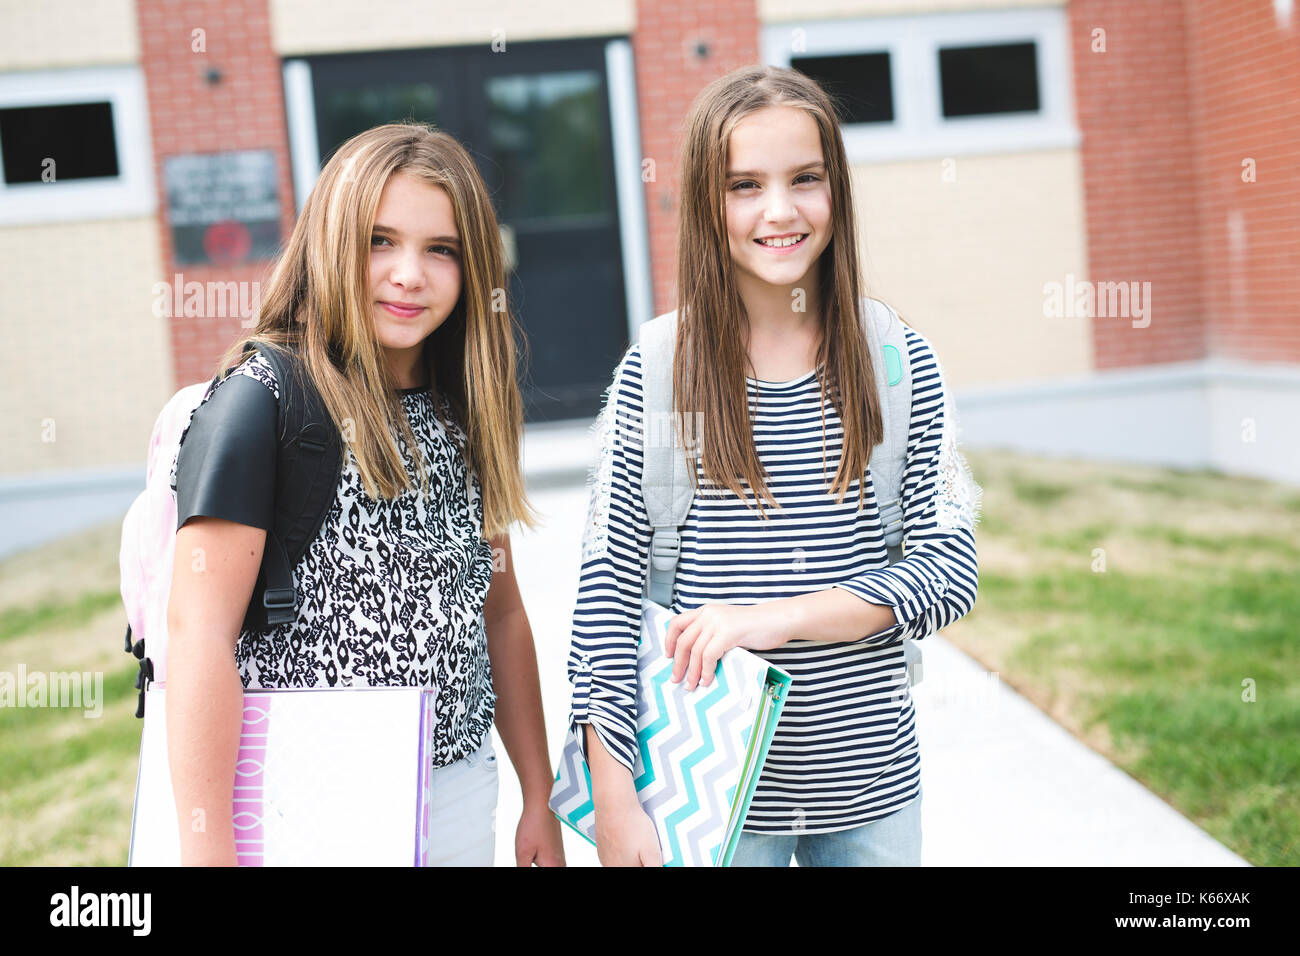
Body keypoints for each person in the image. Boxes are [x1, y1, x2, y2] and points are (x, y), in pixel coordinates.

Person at [566, 66, 981, 867]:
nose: (780, 210)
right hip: (708, 802)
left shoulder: (896, 361)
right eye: (744, 186)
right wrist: (613, 799)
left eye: (805, 179)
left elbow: (949, 571)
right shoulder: (659, 370)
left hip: (871, 792)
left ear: (838, 191)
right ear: (705, 204)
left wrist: (772, 619)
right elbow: (608, 595)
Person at [165, 122, 565, 867]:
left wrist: (535, 796)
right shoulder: (262, 403)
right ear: (329, 244)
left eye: (440, 249)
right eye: (380, 241)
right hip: (313, 804)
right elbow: (198, 637)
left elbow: (501, 612)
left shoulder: (465, 404)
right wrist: (206, 847)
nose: (409, 274)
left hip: (457, 794)